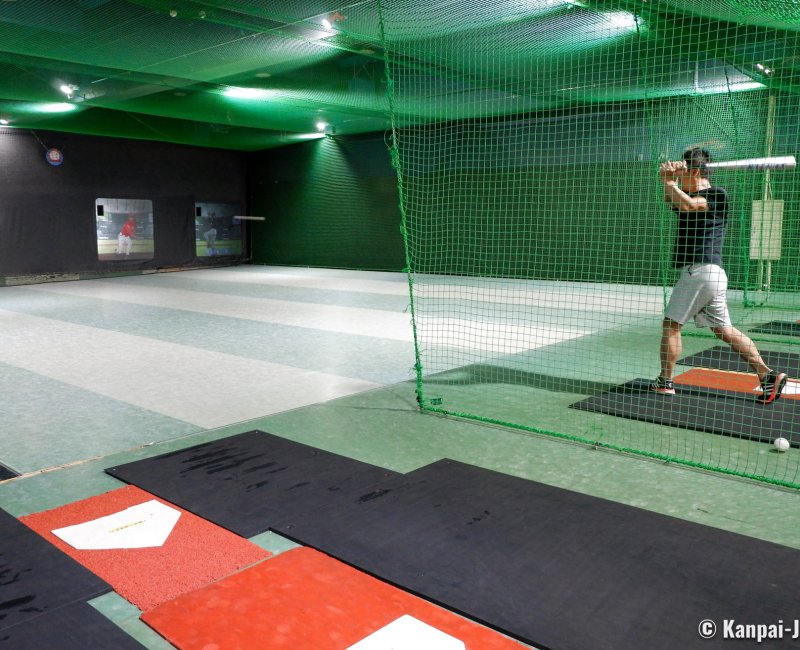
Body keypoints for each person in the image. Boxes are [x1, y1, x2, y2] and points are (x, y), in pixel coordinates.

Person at [651, 147, 787, 404]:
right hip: (709, 275)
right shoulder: (690, 194)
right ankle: (768, 376)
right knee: (724, 330)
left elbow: (690, 204)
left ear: (693, 171)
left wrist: (670, 180)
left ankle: (665, 381)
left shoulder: (716, 194)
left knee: (671, 326)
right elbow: (674, 201)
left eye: (684, 170)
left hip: (699, 271)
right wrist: (669, 181)